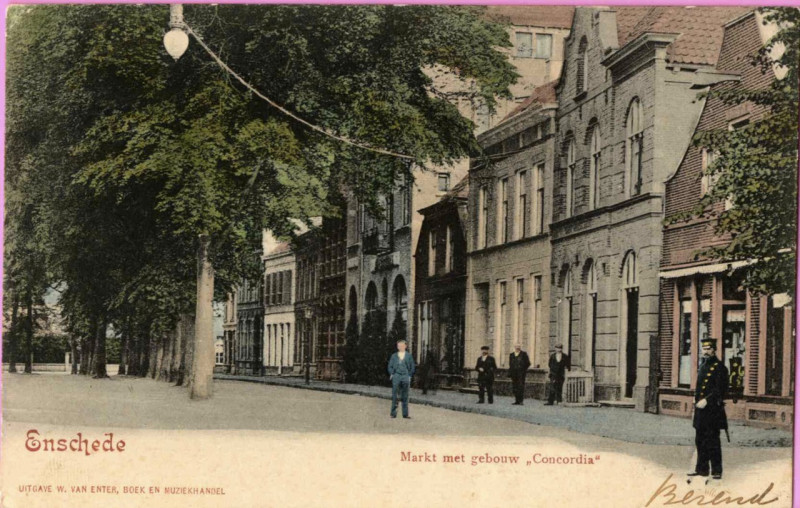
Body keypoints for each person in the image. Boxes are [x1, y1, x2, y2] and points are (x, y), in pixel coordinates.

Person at [688, 338, 729, 480]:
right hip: (700, 410)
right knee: (700, 439)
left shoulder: (720, 368)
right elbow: (699, 388)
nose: (705, 351)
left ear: (714, 350)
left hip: (713, 411)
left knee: (713, 441)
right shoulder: (703, 366)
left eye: (708, 349)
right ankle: (702, 469)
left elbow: (721, 390)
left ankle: (717, 470)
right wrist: (695, 401)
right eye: (703, 349)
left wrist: (707, 400)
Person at [388, 339, 416, 419]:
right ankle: (393, 414)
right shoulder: (394, 356)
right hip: (396, 376)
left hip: (405, 376)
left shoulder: (409, 356)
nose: (400, 347)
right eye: (399, 346)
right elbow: (390, 366)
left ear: (405, 346)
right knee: (395, 395)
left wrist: (409, 375)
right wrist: (392, 374)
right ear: (397, 347)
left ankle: (405, 414)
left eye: (402, 345)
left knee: (405, 396)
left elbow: (412, 367)